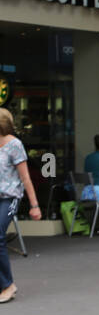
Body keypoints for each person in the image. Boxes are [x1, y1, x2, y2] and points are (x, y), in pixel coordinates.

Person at [0, 108, 42, 304]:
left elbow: (25, 178)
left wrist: (34, 205)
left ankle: (7, 285)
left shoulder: (15, 145)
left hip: (10, 198)